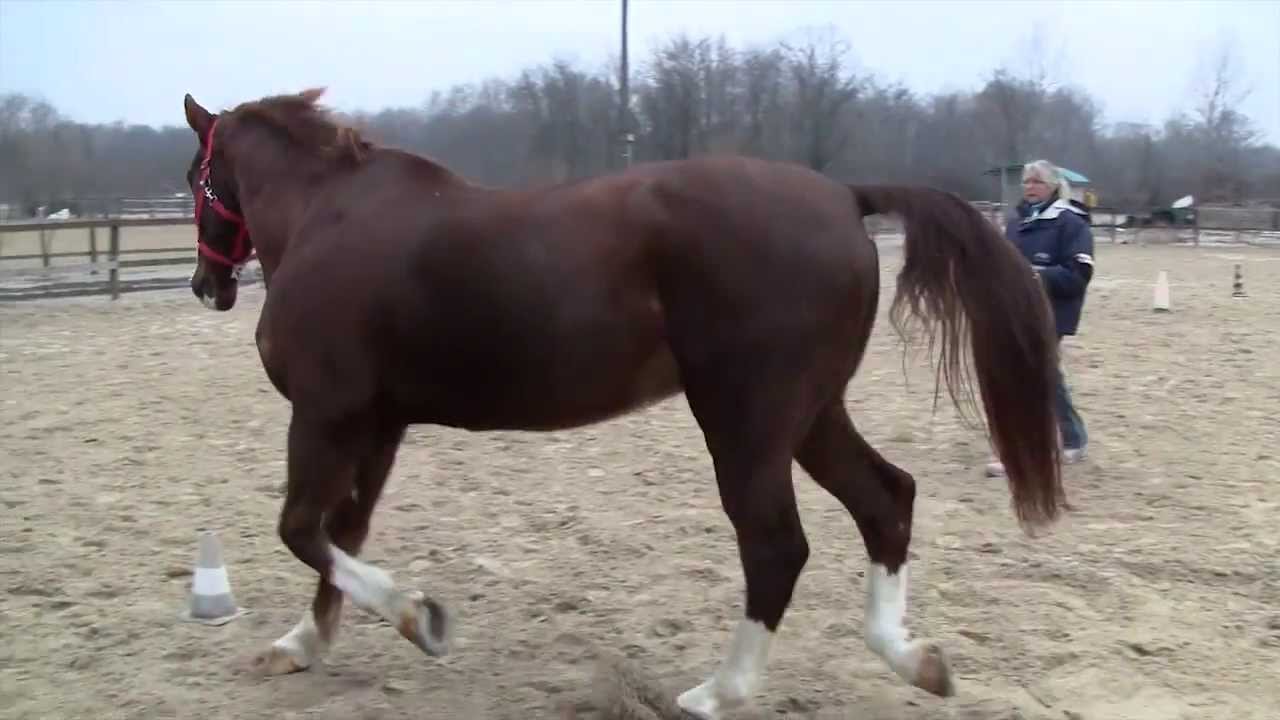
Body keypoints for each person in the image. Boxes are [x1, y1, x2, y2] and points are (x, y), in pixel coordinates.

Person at [986, 159, 1094, 477]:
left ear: (1053, 186)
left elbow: (1079, 273)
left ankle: (1021, 449)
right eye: (1026, 182)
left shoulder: (1071, 223)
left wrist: (1036, 276)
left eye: (1037, 182)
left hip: (1051, 312)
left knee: (1027, 376)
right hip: (1015, 310)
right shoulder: (1015, 223)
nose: (1030, 188)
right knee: (1043, 375)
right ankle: (1071, 437)